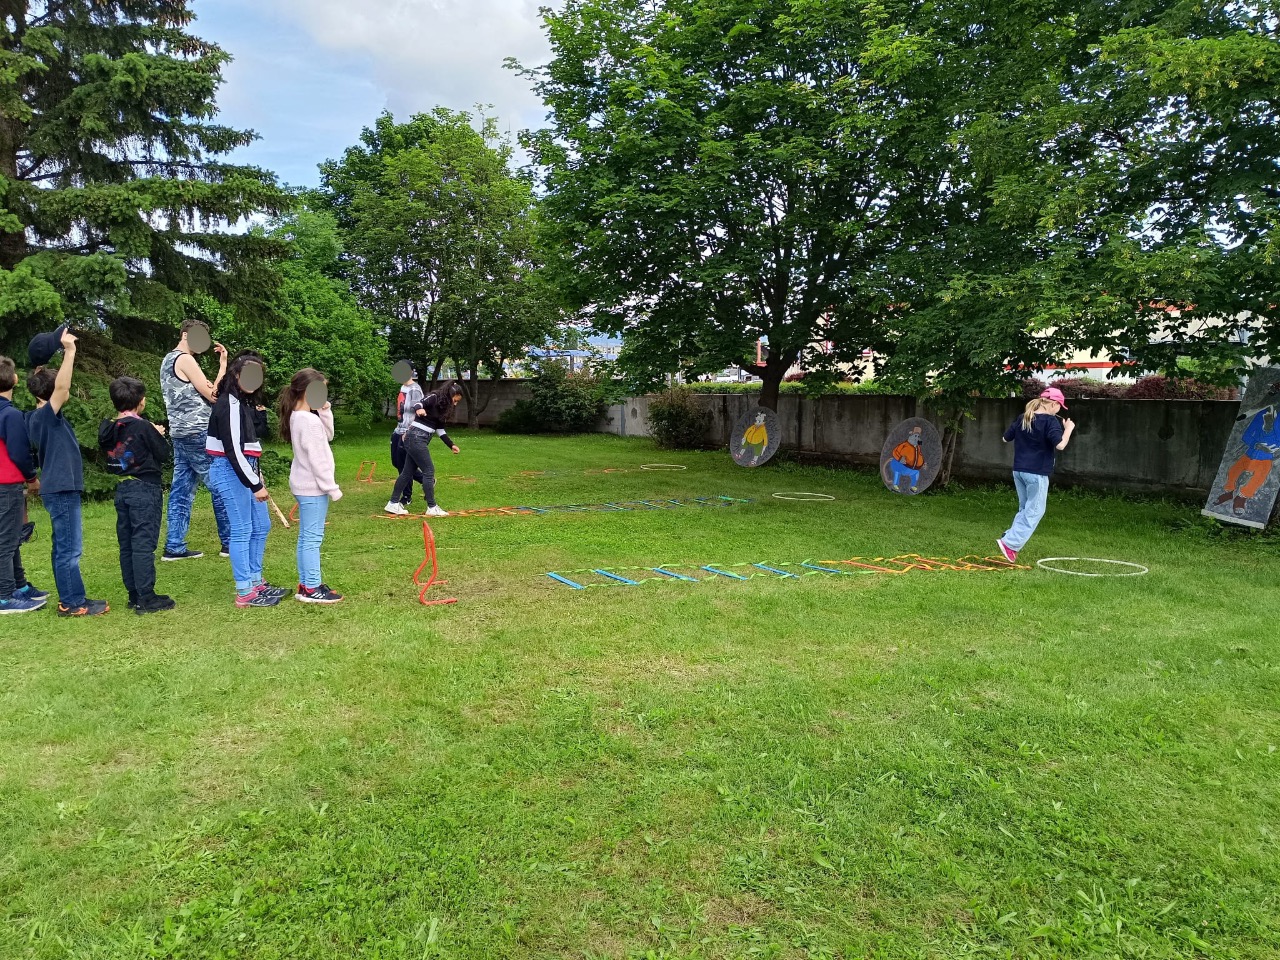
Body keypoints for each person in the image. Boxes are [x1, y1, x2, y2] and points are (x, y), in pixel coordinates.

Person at [27, 331, 109, 616]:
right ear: (48, 394)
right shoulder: (45, 417)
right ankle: (72, 603)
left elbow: (52, 388)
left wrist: (41, 367)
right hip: (61, 490)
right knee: (69, 549)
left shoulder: (38, 416)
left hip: (60, 489)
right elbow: (61, 388)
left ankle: (73, 597)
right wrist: (69, 352)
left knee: (64, 547)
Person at [206, 353, 285, 608]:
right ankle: (245, 591)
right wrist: (255, 484)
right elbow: (232, 451)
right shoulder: (228, 403)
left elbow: (248, 448)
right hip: (230, 471)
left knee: (261, 525)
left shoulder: (241, 402)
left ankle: (255, 580)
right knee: (242, 529)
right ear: (236, 375)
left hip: (245, 469)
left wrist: (256, 473)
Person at [98, 376, 176, 614]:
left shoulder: (108, 426)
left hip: (123, 488)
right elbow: (163, 453)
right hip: (144, 488)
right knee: (143, 543)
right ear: (141, 401)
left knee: (127, 544)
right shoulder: (143, 427)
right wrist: (157, 434)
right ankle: (146, 597)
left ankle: (134, 594)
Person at [160, 319, 231, 561]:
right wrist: (224, 367)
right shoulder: (186, 360)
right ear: (184, 335)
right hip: (198, 431)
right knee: (219, 484)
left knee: (181, 490)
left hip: (179, 432)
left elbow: (208, 390)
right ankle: (230, 543)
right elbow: (214, 396)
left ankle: (174, 546)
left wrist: (222, 366)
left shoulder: (168, 359)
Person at [278, 368, 344, 604]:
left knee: (307, 538)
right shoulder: (307, 421)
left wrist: (324, 410)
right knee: (312, 539)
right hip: (312, 488)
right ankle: (311, 587)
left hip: (305, 486)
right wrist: (331, 488)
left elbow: (328, 435)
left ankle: (307, 584)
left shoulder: (301, 416)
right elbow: (318, 459)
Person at [996, 387, 1075, 562]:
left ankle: (1010, 534)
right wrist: (1068, 428)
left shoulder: (1024, 417)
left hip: (1019, 470)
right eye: (1059, 406)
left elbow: (1005, 438)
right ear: (1053, 404)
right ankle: (1010, 544)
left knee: (1025, 508)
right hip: (1036, 473)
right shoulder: (1050, 421)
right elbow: (1060, 445)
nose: (1059, 410)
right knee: (1035, 510)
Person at [0, 356, 46, 613]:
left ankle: (19, 585)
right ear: (15, 379)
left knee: (11, 537)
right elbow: (19, 452)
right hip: (6, 485)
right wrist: (32, 478)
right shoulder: (11, 415)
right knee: (7, 541)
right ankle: (5, 596)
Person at [385, 381, 463, 517]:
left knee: (407, 472)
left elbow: (440, 430)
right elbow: (418, 404)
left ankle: (393, 503)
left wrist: (451, 445)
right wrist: (419, 409)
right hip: (415, 438)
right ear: (451, 394)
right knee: (428, 471)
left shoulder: (443, 408)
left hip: (418, 439)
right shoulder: (434, 397)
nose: (455, 404)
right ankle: (432, 507)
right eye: (455, 400)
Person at [390, 364, 424, 507]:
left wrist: (409, 432)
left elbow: (418, 413)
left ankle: (406, 496)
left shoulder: (415, 389)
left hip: (408, 432)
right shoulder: (403, 387)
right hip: (398, 430)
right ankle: (424, 479)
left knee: (404, 465)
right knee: (396, 462)